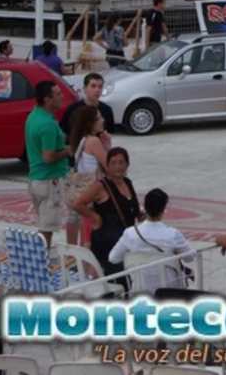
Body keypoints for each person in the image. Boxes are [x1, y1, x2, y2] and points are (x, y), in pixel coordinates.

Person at [108, 188, 192, 293]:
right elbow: (190, 257)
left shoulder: (130, 233)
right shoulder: (172, 234)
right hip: (170, 292)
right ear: (164, 209)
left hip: (140, 292)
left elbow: (113, 258)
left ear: (144, 208)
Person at [73, 147, 139, 278]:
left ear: (127, 164)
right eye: (113, 163)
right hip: (106, 242)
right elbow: (78, 204)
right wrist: (95, 217)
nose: (118, 167)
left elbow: (132, 209)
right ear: (107, 166)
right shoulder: (101, 186)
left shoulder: (128, 182)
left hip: (125, 242)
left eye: (121, 162)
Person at [25, 81, 71, 246]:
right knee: (47, 227)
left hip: (36, 179)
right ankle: (41, 258)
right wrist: (67, 151)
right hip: (49, 180)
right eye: (58, 94)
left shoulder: (34, 116)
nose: (62, 96)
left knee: (44, 224)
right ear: (47, 99)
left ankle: (41, 256)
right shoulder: (47, 124)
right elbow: (48, 157)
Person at [65, 105, 110, 246]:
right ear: (91, 123)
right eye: (99, 118)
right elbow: (110, 168)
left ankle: (72, 256)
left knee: (77, 223)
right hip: (92, 195)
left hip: (78, 192)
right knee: (90, 234)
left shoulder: (81, 140)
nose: (103, 120)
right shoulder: (94, 141)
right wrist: (108, 146)